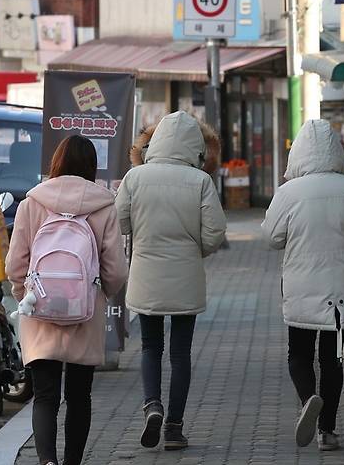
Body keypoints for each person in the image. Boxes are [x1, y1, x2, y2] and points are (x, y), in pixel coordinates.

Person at [6, 135, 128, 465]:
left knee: (45, 396)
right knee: (79, 395)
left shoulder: (33, 202)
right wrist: (101, 294)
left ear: (56, 162)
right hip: (84, 313)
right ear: (91, 167)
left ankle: (47, 461)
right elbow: (115, 269)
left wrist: (24, 296)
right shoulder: (104, 205)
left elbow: (15, 262)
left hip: (39, 310)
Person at [262, 119, 344, 452]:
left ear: (298, 154)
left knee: (298, 354)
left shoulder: (288, 192)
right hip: (340, 292)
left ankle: (307, 398)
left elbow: (271, 238)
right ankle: (327, 431)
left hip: (300, 287)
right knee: (334, 360)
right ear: (336, 151)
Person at [116, 111, 226, 451]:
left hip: (145, 274)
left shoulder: (135, 178)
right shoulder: (201, 182)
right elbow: (215, 232)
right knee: (180, 354)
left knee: (150, 347)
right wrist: (197, 251)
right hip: (186, 277)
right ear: (195, 146)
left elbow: (119, 221)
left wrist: (139, 236)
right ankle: (175, 428)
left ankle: (153, 405)